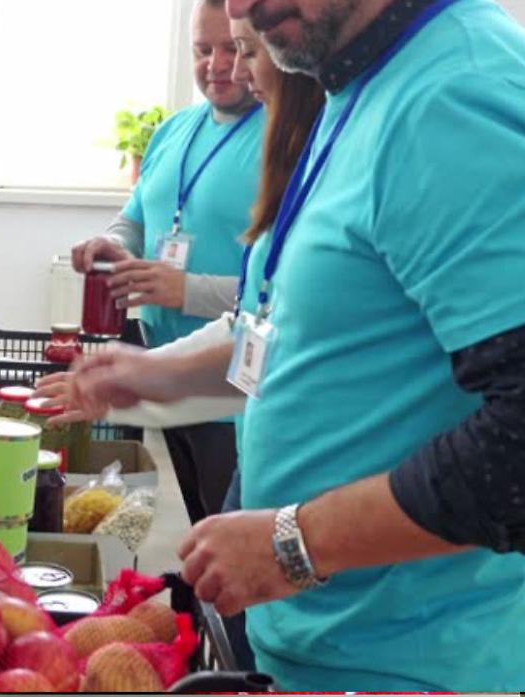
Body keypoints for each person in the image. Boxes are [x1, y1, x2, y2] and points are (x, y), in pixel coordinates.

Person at [66, 0, 525, 689]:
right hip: (321, 641)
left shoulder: (453, 93)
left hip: (412, 660)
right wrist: (156, 374)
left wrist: (296, 542)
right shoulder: (358, 85)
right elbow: (295, 335)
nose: (241, 10)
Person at [69, 0, 264, 525]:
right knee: (193, 514)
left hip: (227, 391)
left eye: (233, 49)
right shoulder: (174, 129)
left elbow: (280, 296)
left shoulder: (283, 139)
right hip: (160, 360)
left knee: (227, 527)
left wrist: (188, 290)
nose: (217, 64)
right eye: (203, 50)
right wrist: (112, 244)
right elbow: (134, 217)